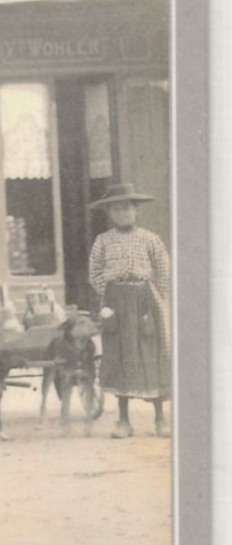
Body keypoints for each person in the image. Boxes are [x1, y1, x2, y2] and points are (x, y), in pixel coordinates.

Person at [87, 184, 171, 439]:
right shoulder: (103, 240)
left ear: (136, 211)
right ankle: (123, 420)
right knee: (119, 355)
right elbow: (94, 273)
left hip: (145, 299)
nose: (122, 213)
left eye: (127, 208)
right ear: (110, 214)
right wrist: (109, 297)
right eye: (116, 209)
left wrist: (155, 296)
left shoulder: (150, 239)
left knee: (150, 352)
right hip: (115, 303)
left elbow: (164, 271)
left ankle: (160, 419)